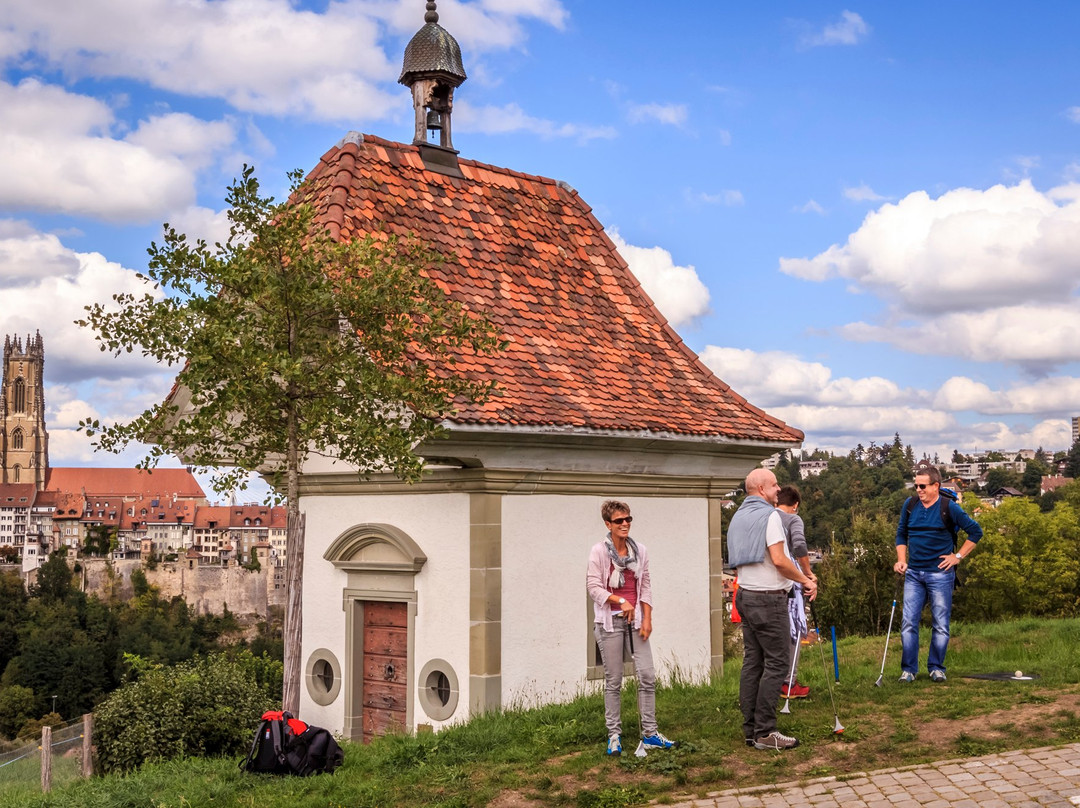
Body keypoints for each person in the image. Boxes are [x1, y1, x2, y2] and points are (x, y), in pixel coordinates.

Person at [727, 469, 817, 751]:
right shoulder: (771, 516)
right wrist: (804, 579)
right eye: (775, 484)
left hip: (745, 595)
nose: (779, 489)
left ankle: (751, 729)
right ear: (762, 488)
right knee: (777, 663)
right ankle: (766, 730)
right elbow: (779, 560)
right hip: (768, 598)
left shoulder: (738, 516)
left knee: (753, 662)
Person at [587, 500, 676, 756]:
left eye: (628, 519)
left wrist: (646, 618)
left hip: (635, 620)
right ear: (608, 524)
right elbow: (594, 588)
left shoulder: (641, 551)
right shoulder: (599, 552)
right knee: (613, 680)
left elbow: (645, 586)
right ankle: (614, 735)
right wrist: (620, 601)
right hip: (609, 622)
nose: (625, 524)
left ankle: (650, 733)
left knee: (647, 676)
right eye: (619, 521)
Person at [893, 467, 982, 682]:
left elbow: (975, 531)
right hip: (914, 573)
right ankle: (909, 670)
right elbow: (901, 534)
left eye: (922, 486)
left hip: (941, 575)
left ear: (936, 486)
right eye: (916, 486)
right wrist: (902, 560)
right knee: (908, 622)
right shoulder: (910, 505)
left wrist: (957, 557)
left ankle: (936, 667)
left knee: (940, 624)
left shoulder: (948, 507)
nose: (918, 490)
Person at [776, 485, 816, 700]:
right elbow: (799, 547)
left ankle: (774, 682)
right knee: (794, 630)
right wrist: (808, 574)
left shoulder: (767, 516)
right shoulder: (793, 520)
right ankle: (789, 682)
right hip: (789, 581)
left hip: (767, 582)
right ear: (795, 505)